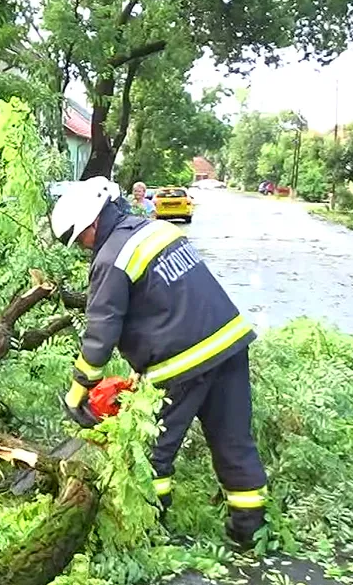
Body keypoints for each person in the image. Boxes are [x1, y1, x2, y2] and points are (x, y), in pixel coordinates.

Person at [50, 176, 269, 548]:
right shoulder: (159, 231)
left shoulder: (112, 257)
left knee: (152, 454)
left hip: (182, 364)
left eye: (79, 237)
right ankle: (250, 532)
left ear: (92, 221)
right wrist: (140, 370)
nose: (83, 246)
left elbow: (101, 331)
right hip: (229, 344)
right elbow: (166, 302)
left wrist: (77, 392)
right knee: (234, 441)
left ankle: (149, 533)